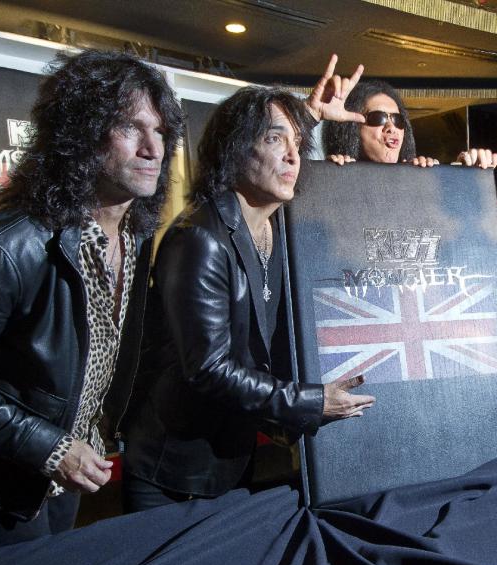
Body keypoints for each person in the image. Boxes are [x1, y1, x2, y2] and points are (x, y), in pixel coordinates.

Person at [0, 50, 182, 549]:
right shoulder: (4, 244)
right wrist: (50, 448)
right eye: (130, 128)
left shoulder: (135, 234)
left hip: (76, 464)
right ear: (80, 134)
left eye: (161, 132)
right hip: (7, 474)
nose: (153, 148)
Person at [122, 56, 376, 512]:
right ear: (237, 149)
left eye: (298, 143)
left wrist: (308, 118)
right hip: (175, 472)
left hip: (232, 459)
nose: (294, 156)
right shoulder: (199, 237)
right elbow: (208, 368)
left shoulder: (279, 226)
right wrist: (309, 402)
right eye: (275, 140)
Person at [322, 79, 497, 169]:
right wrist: (332, 176)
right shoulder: (334, 176)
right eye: (378, 118)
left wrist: (466, 175)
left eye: (397, 120)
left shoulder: (419, 173)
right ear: (350, 129)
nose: (391, 128)